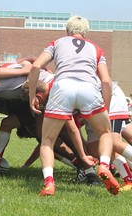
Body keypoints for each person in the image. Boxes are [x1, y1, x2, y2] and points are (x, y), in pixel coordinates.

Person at [28, 15, 120, 196]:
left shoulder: (57, 42)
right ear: (86, 33)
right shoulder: (96, 48)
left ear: (67, 31)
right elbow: (107, 82)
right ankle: (103, 165)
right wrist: (105, 110)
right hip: (89, 88)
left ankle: (48, 183)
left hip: (62, 87)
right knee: (105, 133)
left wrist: (32, 95)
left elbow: (35, 66)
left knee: (47, 140)